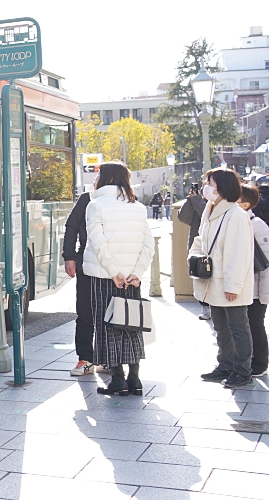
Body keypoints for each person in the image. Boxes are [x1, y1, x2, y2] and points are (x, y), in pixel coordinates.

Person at [83, 161, 154, 396]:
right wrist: (138, 272)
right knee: (131, 324)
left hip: (106, 276)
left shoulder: (96, 205)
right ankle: (135, 379)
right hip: (132, 278)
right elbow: (148, 244)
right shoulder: (138, 207)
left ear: (105, 178)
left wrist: (113, 271)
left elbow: (97, 241)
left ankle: (117, 380)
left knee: (107, 326)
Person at [191, 168, 255, 389]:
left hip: (229, 282)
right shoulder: (211, 210)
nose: (205, 186)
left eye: (210, 182)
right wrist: (192, 256)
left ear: (222, 187)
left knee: (238, 327)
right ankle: (225, 366)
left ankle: (242, 371)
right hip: (213, 280)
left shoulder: (236, 215)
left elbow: (239, 254)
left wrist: (233, 285)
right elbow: (201, 239)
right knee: (221, 327)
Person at [63, 189, 103, 376]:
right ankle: (86, 358)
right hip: (86, 263)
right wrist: (69, 256)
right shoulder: (87, 199)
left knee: (111, 314)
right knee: (85, 311)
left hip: (115, 267)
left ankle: (108, 360)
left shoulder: (125, 199)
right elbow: (71, 226)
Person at [237, 184, 268, 376]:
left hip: (257, 286)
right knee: (250, 323)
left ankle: (261, 364)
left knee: (255, 324)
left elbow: (265, 262)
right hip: (248, 286)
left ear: (246, 204)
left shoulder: (257, 225)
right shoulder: (243, 222)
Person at [179, 183, 212, 320]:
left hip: (211, 245)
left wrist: (197, 200)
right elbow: (183, 217)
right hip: (197, 246)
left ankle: (214, 307)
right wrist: (190, 200)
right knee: (200, 276)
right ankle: (205, 307)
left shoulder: (215, 204)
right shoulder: (197, 201)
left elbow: (208, 216)